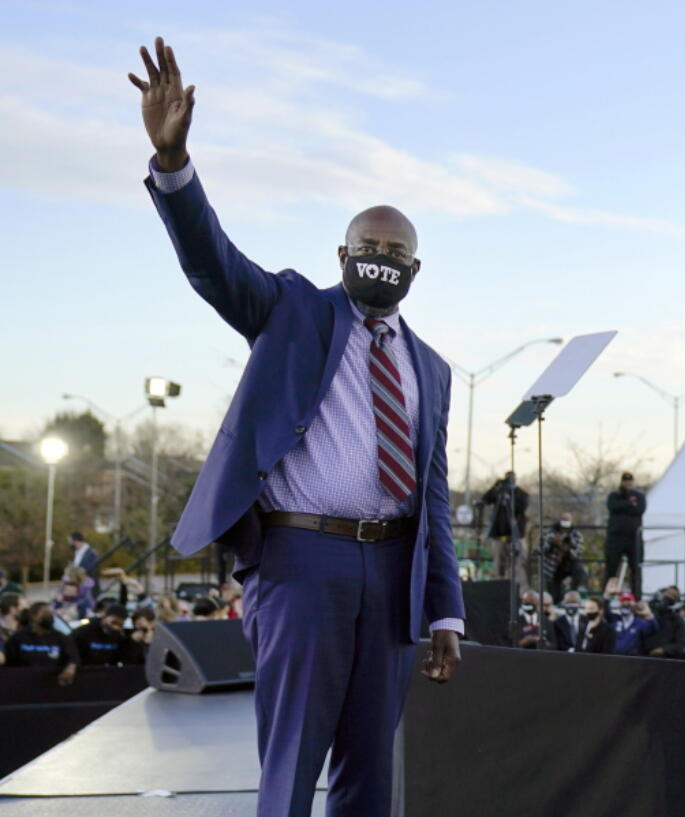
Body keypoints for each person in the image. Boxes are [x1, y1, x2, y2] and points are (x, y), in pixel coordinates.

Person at [127, 37, 464, 817]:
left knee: (371, 768)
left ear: (416, 269)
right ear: (341, 253)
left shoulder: (434, 369)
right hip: (299, 557)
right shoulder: (291, 309)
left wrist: (443, 609)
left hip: (391, 574)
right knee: (293, 759)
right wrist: (174, 164)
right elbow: (211, 262)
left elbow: (435, 497)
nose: (381, 258)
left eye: (397, 251)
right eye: (368, 247)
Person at [4, 602, 79, 686]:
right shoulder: (18, 638)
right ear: (33, 616)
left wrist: (71, 667)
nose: (49, 617)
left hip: (53, 686)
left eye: (51, 614)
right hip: (23, 684)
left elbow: (73, 658)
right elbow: (9, 662)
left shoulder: (60, 638)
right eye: (46, 614)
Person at [481, 472, 530, 583]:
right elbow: (485, 499)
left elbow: (521, 507)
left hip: (516, 535)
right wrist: (495, 487)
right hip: (499, 535)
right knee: (498, 562)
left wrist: (509, 498)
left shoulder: (520, 494)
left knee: (517, 563)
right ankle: (498, 584)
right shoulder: (499, 492)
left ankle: (519, 588)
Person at [605, 472, 647, 596]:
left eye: (630, 481)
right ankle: (607, 595)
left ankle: (637, 596)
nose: (628, 484)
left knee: (636, 569)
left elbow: (640, 509)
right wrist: (629, 504)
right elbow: (613, 507)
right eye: (626, 481)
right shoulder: (614, 495)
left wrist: (625, 507)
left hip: (633, 537)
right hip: (616, 537)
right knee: (611, 569)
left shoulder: (639, 496)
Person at [541, 513, 588, 601]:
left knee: (579, 570)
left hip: (569, 563)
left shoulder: (576, 534)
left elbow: (578, 552)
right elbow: (542, 549)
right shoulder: (551, 533)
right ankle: (557, 598)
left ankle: (573, 592)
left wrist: (566, 547)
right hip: (554, 567)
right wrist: (552, 543)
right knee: (555, 596)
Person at [73, 604, 137, 666]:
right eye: (113, 622)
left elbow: (125, 659)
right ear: (104, 617)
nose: (116, 627)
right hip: (84, 670)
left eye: (120, 625)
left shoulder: (121, 636)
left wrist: (132, 642)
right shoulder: (85, 632)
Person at [644, 586, 685, 658]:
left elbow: (680, 644)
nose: (668, 596)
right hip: (644, 655)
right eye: (668, 593)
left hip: (665, 658)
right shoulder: (651, 613)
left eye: (673, 595)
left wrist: (663, 649)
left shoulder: (678, 620)